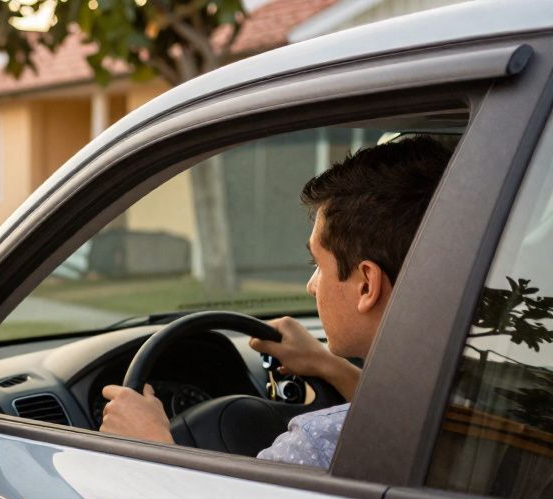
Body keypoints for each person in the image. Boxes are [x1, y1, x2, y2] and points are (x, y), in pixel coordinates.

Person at [99, 135, 454, 469]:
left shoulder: (319, 444)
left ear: (366, 286)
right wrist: (330, 366)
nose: (311, 286)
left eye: (318, 265)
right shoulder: (470, 396)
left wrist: (150, 444)